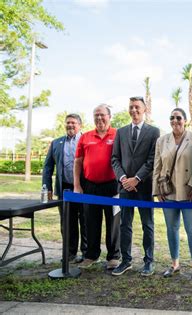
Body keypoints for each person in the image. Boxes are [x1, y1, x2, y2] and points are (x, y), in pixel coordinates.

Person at [152, 108, 192, 280]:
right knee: (171, 229)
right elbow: (157, 167)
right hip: (168, 192)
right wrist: (157, 190)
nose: (175, 121)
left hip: (188, 193)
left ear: (185, 120)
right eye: (172, 117)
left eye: (178, 118)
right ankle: (175, 264)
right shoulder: (162, 140)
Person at [111, 96, 159, 276]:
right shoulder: (121, 132)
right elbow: (115, 158)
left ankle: (148, 261)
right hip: (124, 188)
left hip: (144, 187)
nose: (134, 110)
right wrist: (123, 178)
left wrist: (137, 179)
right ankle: (126, 261)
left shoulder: (154, 132)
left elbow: (152, 160)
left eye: (137, 107)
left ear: (144, 109)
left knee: (148, 225)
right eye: (131, 107)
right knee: (125, 225)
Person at [74, 104, 121, 270]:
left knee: (113, 222)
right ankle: (91, 255)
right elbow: (78, 161)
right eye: (96, 115)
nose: (99, 118)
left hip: (113, 186)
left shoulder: (118, 134)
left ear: (109, 116)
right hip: (90, 186)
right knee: (91, 222)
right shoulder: (85, 136)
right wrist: (77, 185)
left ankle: (114, 257)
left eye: (102, 115)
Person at [42, 113, 87, 263]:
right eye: (68, 122)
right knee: (67, 222)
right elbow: (48, 167)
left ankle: (86, 254)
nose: (70, 125)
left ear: (80, 125)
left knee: (86, 220)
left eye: (73, 123)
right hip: (64, 190)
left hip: (83, 188)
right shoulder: (56, 143)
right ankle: (69, 253)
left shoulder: (86, 140)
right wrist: (46, 188)